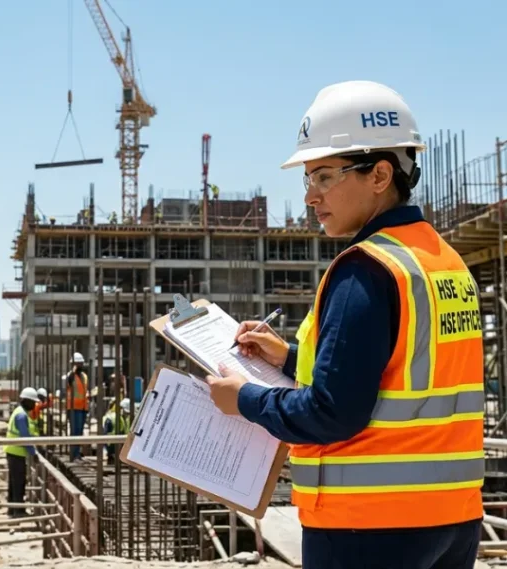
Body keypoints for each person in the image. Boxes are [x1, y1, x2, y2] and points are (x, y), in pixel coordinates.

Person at [206, 80, 485, 569]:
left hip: (368, 525)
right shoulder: (443, 262)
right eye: (307, 179)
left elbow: (333, 413)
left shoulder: (366, 269)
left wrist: (243, 399)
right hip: (452, 518)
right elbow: (402, 376)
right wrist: (290, 358)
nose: (311, 197)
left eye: (325, 176)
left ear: (380, 174)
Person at [3, 387, 40, 518]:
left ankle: (12, 509)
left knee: (14, 482)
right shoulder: (21, 415)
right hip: (16, 452)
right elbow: (25, 437)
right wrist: (33, 453)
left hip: (14, 452)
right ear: (26, 401)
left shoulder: (19, 412)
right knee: (19, 482)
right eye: (33, 402)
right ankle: (18, 510)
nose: (34, 405)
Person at [63, 352, 89, 461]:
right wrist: (73, 372)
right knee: (74, 431)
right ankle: (73, 455)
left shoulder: (84, 376)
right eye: (77, 364)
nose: (79, 366)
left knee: (79, 431)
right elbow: (67, 383)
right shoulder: (69, 376)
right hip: (73, 408)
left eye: (80, 363)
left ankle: (77, 453)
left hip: (82, 408)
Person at [103, 398, 132, 463]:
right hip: (111, 443)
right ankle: (113, 456)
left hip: (111, 442)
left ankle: (113, 456)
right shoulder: (116, 417)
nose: (127, 414)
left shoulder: (123, 418)